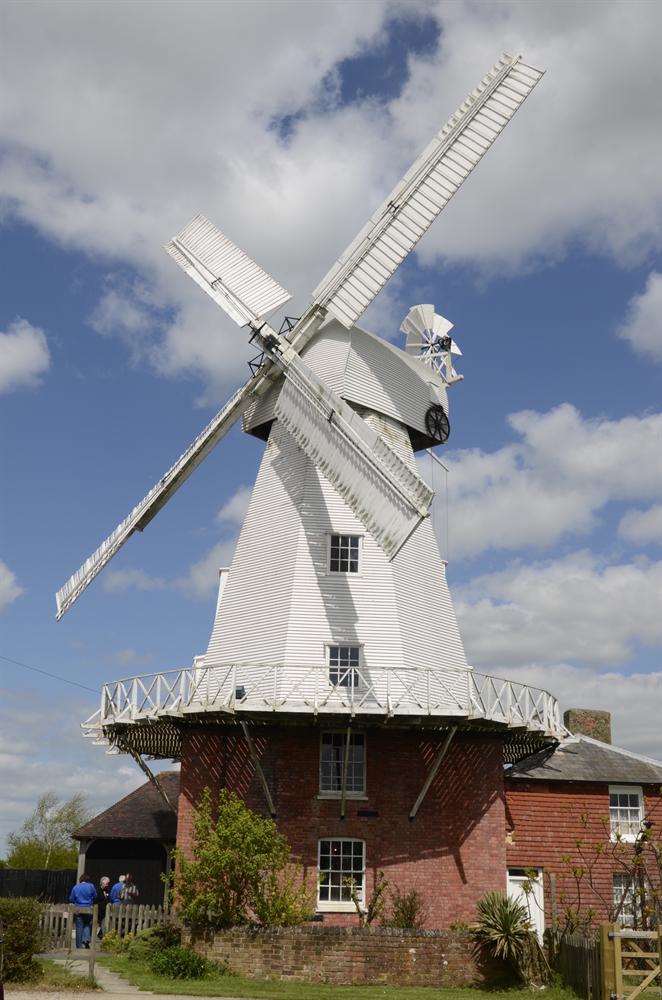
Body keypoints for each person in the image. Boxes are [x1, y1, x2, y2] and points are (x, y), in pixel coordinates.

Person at [69, 874, 97, 949]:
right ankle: (86, 940)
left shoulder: (76, 887)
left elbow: (71, 898)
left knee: (79, 927)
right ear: (88, 879)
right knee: (87, 924)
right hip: (88, 909)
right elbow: (95, 896)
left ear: (80, 879)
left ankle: (79, 946)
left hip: (78, 909)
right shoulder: (91, 886)